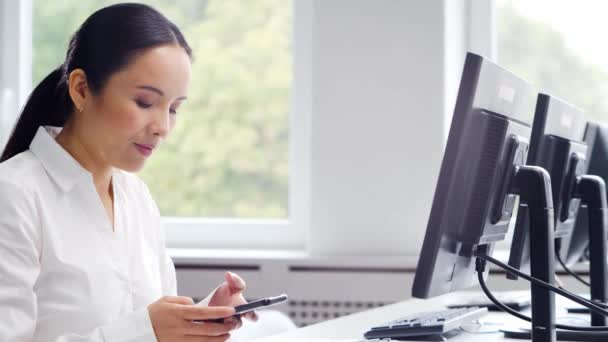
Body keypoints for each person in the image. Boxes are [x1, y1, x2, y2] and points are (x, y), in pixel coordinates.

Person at [0, 3, 257, 341]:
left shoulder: (135, 197)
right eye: (145, 102)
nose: (163, 127)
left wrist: (200, 319)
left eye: (174, 109)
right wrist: (145, 331)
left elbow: (148, 326)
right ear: (80, 89)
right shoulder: (14, 195)